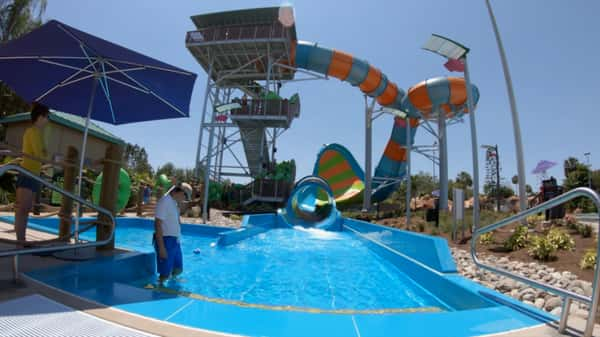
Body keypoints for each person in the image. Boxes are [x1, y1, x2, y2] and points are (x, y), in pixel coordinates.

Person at [14, 103, 50, 246]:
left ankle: (21, 240)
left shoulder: (37, 133)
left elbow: (42, 153)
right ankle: (20, 240)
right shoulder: (33, 132)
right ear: (40, 116)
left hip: (33, 173)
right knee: (23, 209)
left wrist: (45, 156)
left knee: (25, 209)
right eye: (47, 116)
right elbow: (39, 153)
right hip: (28, 173)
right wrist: (48, 158)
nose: (48, 120)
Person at [154, 186, 186, 284]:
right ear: (176, 192)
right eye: (183, 194)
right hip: (166, 241)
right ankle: (160, 288)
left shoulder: (173, 203)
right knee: (164, 273)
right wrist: (161, 247)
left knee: (178, 269)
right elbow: (157, 223)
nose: (184, 197)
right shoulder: (164, 201)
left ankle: (172, 281)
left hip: (174, 241)